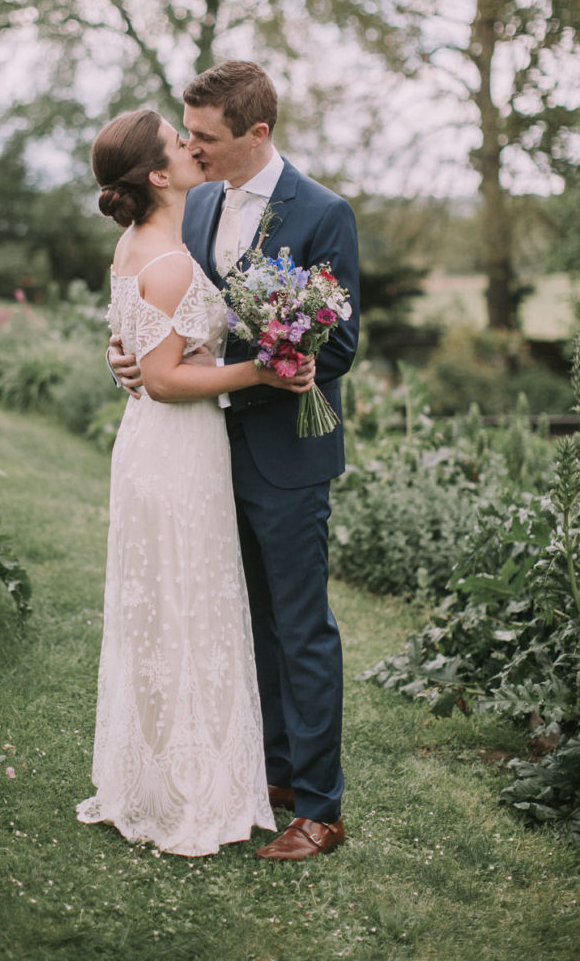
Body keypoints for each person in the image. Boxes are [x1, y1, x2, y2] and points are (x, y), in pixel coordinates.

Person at [109, 62, 360, 861]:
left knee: (301, 627)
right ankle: (273, 771)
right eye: (190, 134)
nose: (195, 146)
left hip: (284, 451)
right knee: (243, 618)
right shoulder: (198, 200)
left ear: (258, 132)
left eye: (208, 136)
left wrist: (280, 349)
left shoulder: (324, 213)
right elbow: (166, 312)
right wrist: (136, 358)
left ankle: (320, 807)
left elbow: (342, 341)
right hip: (204, 451)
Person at [76, 107, 315, 857]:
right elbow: (167, 375)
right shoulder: (171, 259)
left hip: (156, 444)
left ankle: (154, 777)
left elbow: (135, 347)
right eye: (180, 143)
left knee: (170, 605)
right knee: (185, 605)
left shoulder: (135, 242)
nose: (191, 148)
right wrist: (266, 370)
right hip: (177, 445)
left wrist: (132, 364)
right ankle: (183, 790)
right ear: (156, 174)